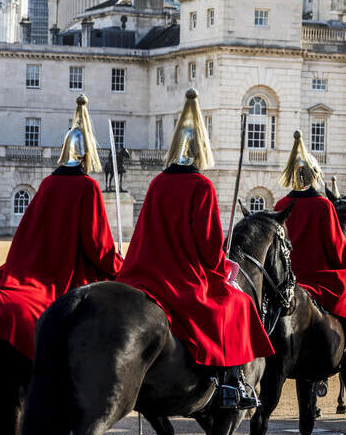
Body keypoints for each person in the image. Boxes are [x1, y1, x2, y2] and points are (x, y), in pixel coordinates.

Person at [117, 89, 274, 409]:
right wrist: (220, 272)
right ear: (201, 148)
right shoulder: (201, 186)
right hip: (183, 281)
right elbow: (209, 247)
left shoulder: (158, 182)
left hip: (144, 277)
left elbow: (144, 234)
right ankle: (233, 383)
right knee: (238, 304)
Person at [0, 94, 122, 359]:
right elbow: (97, 247)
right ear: (85, 156)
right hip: (67, 275)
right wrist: (118, 265)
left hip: (32, 269)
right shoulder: (87, 186)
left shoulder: (48, 183)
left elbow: (28, 234)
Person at [274, 131, 346, 377]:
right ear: (314, 176)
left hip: (287, 281)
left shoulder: (279, 205)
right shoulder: (322, 205)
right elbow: (337, 249)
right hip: (320, 279)